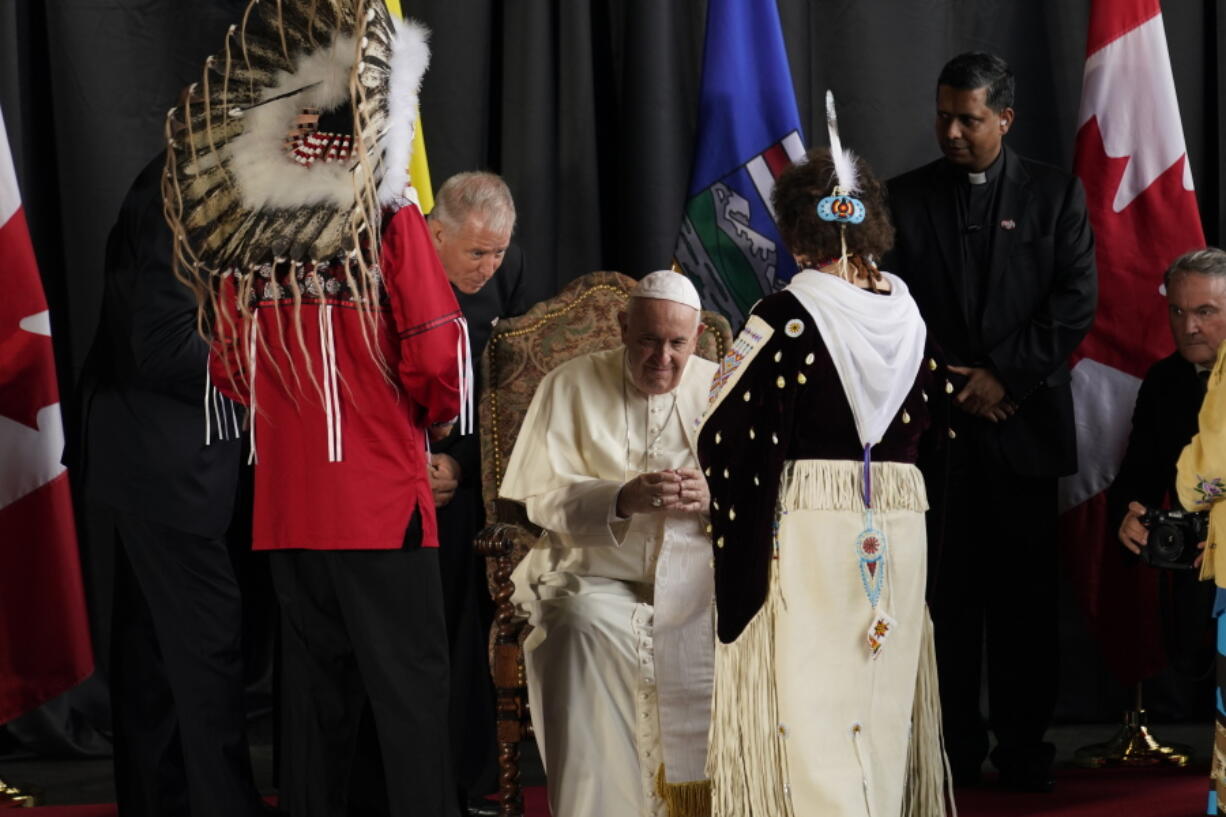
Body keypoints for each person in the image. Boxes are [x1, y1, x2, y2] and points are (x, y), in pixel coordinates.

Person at [164, 4, 465, 816]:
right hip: (377, 500)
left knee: (314, 712)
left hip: (290, 508)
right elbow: (437, 356)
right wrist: (426, 422)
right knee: (410, 703)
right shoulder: (391, 221)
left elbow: (231, 372)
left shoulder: (249, 246)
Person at [699, 132, 951, 817]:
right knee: (880, 695)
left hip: (813, 523)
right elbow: (937, 422)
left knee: (812, 701)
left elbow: (727, 436)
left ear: (794, 229)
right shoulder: (909, 312)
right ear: (870, 223)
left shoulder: (784, 317)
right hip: (897, 524)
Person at [887, 51, 1097, 791]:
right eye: (943, 114)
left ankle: (1023, 751)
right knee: (943, 601)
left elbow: (1075, 302)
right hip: (934, 434)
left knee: (1024, 604)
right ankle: (949, 749)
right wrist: (959, 383)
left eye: (968, 119)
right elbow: (889, 308)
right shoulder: (902, 200)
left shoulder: (1057, 195)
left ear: (1003, 119)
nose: (950, 131)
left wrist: (1003, 375)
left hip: (1022, 428)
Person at [79, 154, 264, 817]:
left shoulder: (208, 185)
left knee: (154, 657)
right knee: (204, 652)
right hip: (164, 463)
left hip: (160, 459)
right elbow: (158, 346)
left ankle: (161, 803)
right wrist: (275, 354)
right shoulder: (184, 193)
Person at [500, 271, 717, 817]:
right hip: (591, 575)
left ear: (697, 339)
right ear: (623, 327)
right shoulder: (569, 383)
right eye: (648, 339)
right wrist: (619, 499)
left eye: (677, 344)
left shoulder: (724, 388)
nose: (662, 359)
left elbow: (766, 495)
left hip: (698, 585)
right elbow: (538, 498)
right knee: (581, 624)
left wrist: (714, 494)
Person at [426, 171, 530, 816]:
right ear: (435, 234)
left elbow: (511, 386)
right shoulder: (393, 276)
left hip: (471, 482)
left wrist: (459, 466)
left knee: (473, 639)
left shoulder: (506, 276)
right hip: (401, 483)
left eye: (498, 252)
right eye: (476, 253)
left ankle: (466, 783)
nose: (490, 266)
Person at [1116, 249, 1226, 556]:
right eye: (1177, 311)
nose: (1188, 328)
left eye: (1205, 311)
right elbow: (1138, 478)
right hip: (1194, 568)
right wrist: (1130, 517)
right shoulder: (1164, 381)